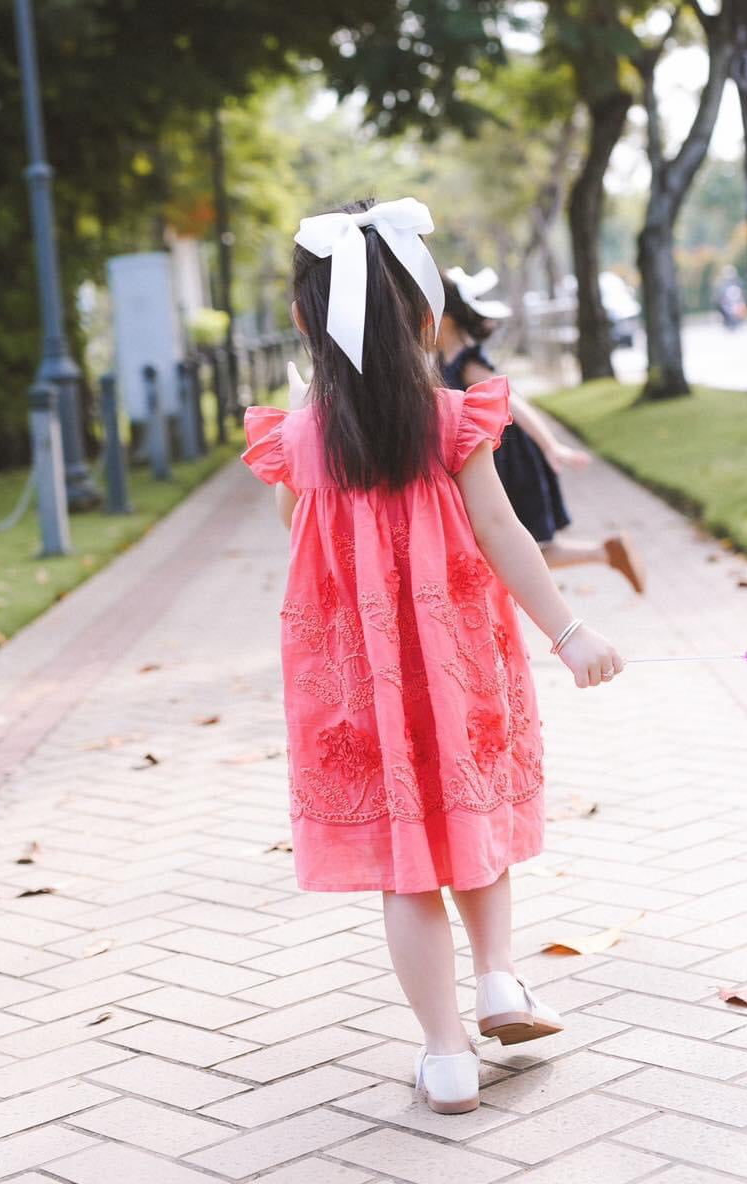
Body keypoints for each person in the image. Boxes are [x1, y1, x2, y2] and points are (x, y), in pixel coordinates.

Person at [242, 198, 625, 1116]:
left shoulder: (298, 439)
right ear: (426, 316)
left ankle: (446, 1055)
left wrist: (315, 423)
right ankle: (497, 977)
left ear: (304, 321)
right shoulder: (455, 422)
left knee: (404, 866)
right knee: (473, 820)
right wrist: (569, 633)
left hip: (359, 688)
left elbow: (298, 534)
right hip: (460, 673)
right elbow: (504, 532)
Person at [438, 267, 646, 594]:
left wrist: (551, 445)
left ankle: (606, 552)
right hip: (490, 461)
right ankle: (606, 552)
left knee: (515, 547)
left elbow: (515, 403)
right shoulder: (446, 358)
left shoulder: (468, 364)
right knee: (508, 547)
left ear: (445, 318)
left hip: (508, 462)